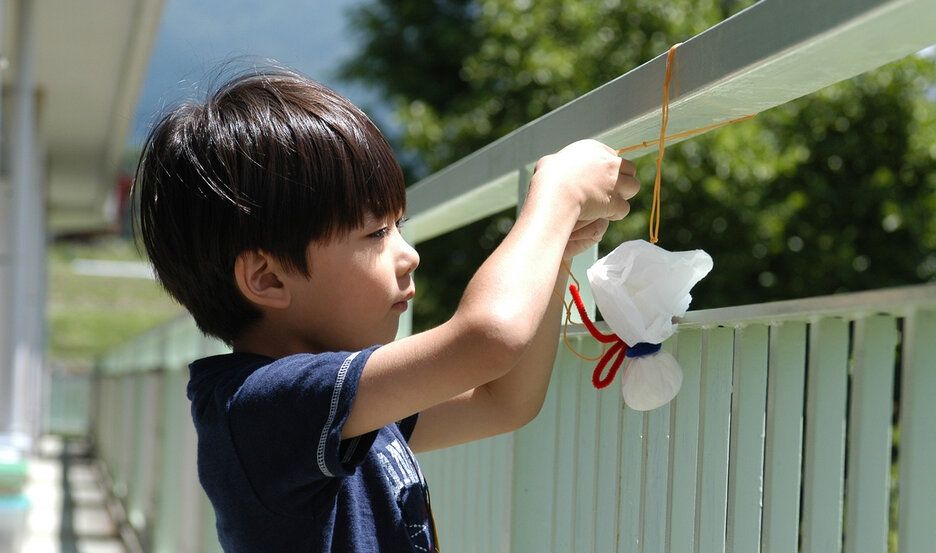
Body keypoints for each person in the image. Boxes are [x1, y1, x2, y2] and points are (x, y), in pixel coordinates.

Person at [133, 69, 639, 553]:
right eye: (377, 233)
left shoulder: (335, 406)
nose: (408, 254)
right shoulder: (264, 409)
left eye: (399, 226)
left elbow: (502, 400)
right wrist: (558, 197)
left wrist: (557, 252)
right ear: (268, 278)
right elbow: (488, 339)